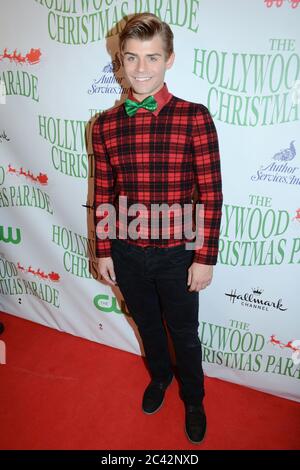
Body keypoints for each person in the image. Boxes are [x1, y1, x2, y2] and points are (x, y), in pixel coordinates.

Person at [92, 12, 223, 445]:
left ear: (169, 60)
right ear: (120, 61)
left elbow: (211, 195)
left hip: (177, 253)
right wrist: (104, 249)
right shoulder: (105, 125)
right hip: (127, 253)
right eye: (131, 58)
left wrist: (203, 259)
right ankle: (161, 377)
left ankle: (194, 397)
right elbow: (105, 191)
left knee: (184, 333)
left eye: (151, 58)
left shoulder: (194, 118)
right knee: (147, 326)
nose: (141, 69)